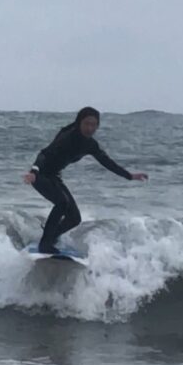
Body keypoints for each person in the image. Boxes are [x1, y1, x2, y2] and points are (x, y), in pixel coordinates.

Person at [23, 106, 147, 254]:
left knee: (74, 218)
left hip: (54, 176)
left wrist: (129, 176)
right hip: (40, 175)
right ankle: (45, 244)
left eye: (93, 125)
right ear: (79, 123)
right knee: (62, 202)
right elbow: (44, 153)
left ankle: (51, 235)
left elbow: (107, 162)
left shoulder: (90, 145)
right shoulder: (67, 136)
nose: (90, 128)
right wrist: (34, 171)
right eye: (86, 123)